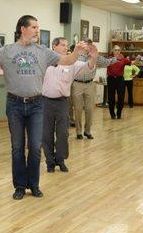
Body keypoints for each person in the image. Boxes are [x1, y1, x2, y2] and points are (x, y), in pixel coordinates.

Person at [0, 15, 89, 200]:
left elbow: (68, 60)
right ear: (23, 29)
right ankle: (20, 186)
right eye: (34, 27)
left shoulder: (43, 52)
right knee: (17, 147)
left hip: (37, 105)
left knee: (36, 147)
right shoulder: (7, 50)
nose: (38, 30)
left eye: (38, 27)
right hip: (15, 105)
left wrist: (77, 50)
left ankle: (34, 184)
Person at [43, 37, 108, 173]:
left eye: (67, 45)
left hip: (62, 102)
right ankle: (49, 161)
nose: (66, 47)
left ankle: (60, 160)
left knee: (62, 133)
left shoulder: (72, 63)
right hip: (46, 102)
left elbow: (88, 67)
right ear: (54, 46)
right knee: (47, 134)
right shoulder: (45, 61)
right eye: (62, 45)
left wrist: (94, 57)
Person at [70, 39, 103, 140]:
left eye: (88, 45)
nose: (86, 46)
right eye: (84, 44)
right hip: (77, 83)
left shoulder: (94, 56)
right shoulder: (75, 55)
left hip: (90, 84)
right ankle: (78, 132)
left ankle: (87, 131)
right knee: (78, 109)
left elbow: (105, 62)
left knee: (89, 109)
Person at [107, 45, 131, 119]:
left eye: (118, 50)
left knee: (121, 97)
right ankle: (112, 114)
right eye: (115, 50)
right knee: (111, 98)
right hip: (111, 79)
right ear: (113, 51)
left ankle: (119, 113)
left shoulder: (123, 59)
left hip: (120, 80)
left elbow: (131, 62)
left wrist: (137, 59)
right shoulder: (109, 59)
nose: (117, 51)